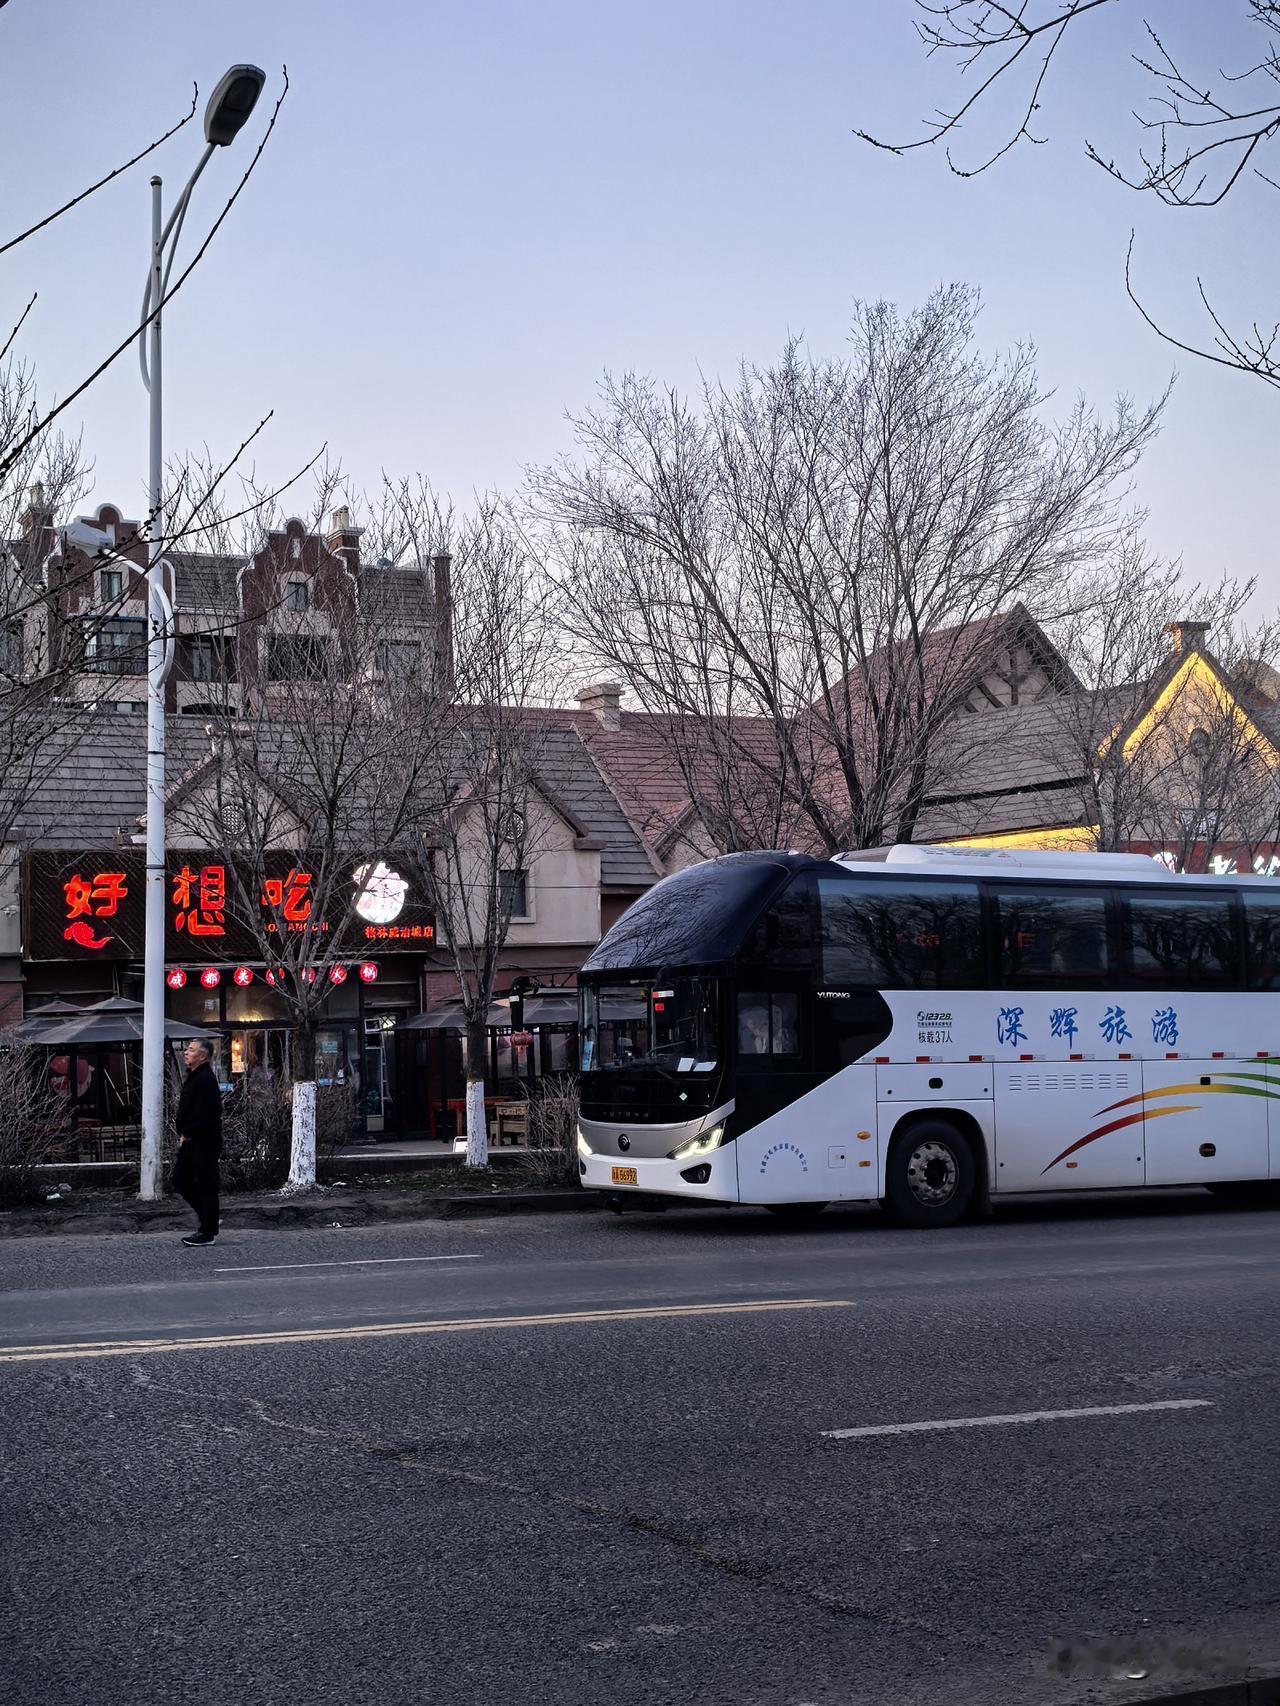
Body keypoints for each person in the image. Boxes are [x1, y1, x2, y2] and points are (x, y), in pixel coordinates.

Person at [173, 1038, 223, 1248]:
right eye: (187, 1049)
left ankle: (208, 1231)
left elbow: (205, 1112)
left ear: (202, 1055)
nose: (186, 1052)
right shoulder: (194, 1076)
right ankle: (208, 1217)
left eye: (191, 1050)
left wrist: (188, 1132)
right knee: (180, 1180)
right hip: (191, 1139)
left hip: (203, 1140)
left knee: (206, 1184)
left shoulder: (205, 1079)